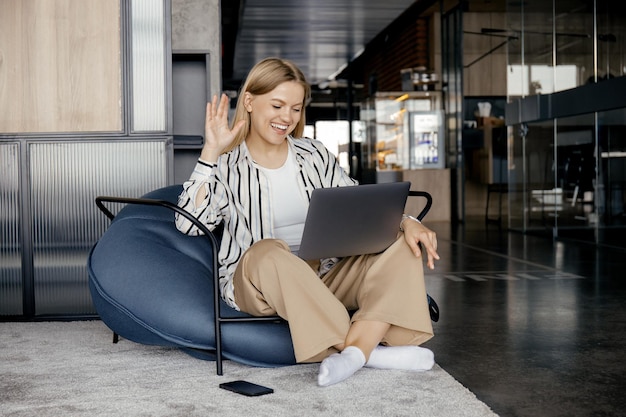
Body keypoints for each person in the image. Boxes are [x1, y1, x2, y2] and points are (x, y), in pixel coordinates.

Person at [175, 57, 440, 387]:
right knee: (268, 250)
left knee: (404, 244)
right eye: (277, 105)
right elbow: (189, 223)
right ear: (249, 102)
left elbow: (359, 204)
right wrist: (211, 152)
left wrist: (407, 221)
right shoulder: (226, 164)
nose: (287, 117)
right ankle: (366, 350)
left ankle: (355, 354)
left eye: (296, 108)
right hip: (258, 282)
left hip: (322, 275)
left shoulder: (313, 154)